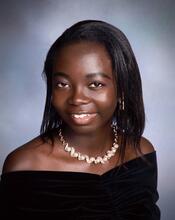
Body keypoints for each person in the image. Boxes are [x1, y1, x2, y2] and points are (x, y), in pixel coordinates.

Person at [0, 20, 160, 219]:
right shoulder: (23, 166)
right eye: (62, 84)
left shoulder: (141, 153)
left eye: (95, 84)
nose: (76, 99)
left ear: (122, 88)